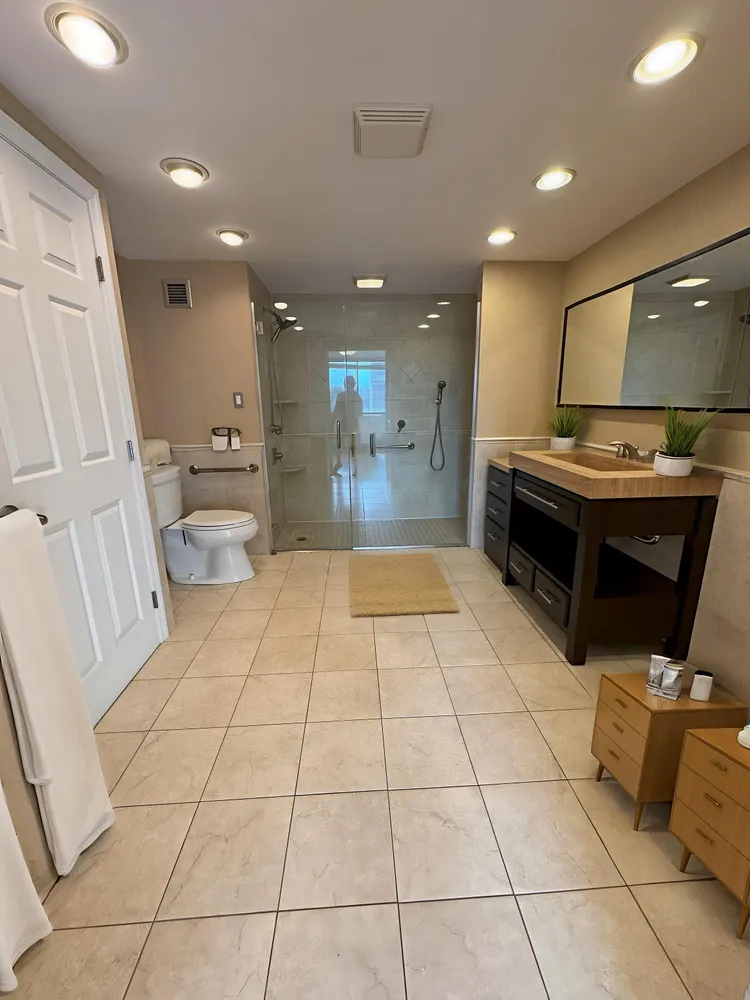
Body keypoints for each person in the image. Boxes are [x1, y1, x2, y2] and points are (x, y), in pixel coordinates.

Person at [331, 375, 363, 476]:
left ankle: (340, 463)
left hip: (346, 424)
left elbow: (336, 412)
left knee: (343, 445)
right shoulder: (357, 397)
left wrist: (332, 422)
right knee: (348, 446)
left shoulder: (343, 396)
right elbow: (359, 413)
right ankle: (352, 467)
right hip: (349, 424)